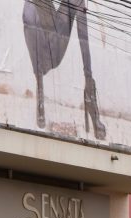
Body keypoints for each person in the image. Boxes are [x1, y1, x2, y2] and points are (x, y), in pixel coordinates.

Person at [23, 0, 106, 137]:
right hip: (42, 46)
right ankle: (40, 90)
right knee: (30, 9)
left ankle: (90, 94)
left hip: (57, 43)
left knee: (79, 2)